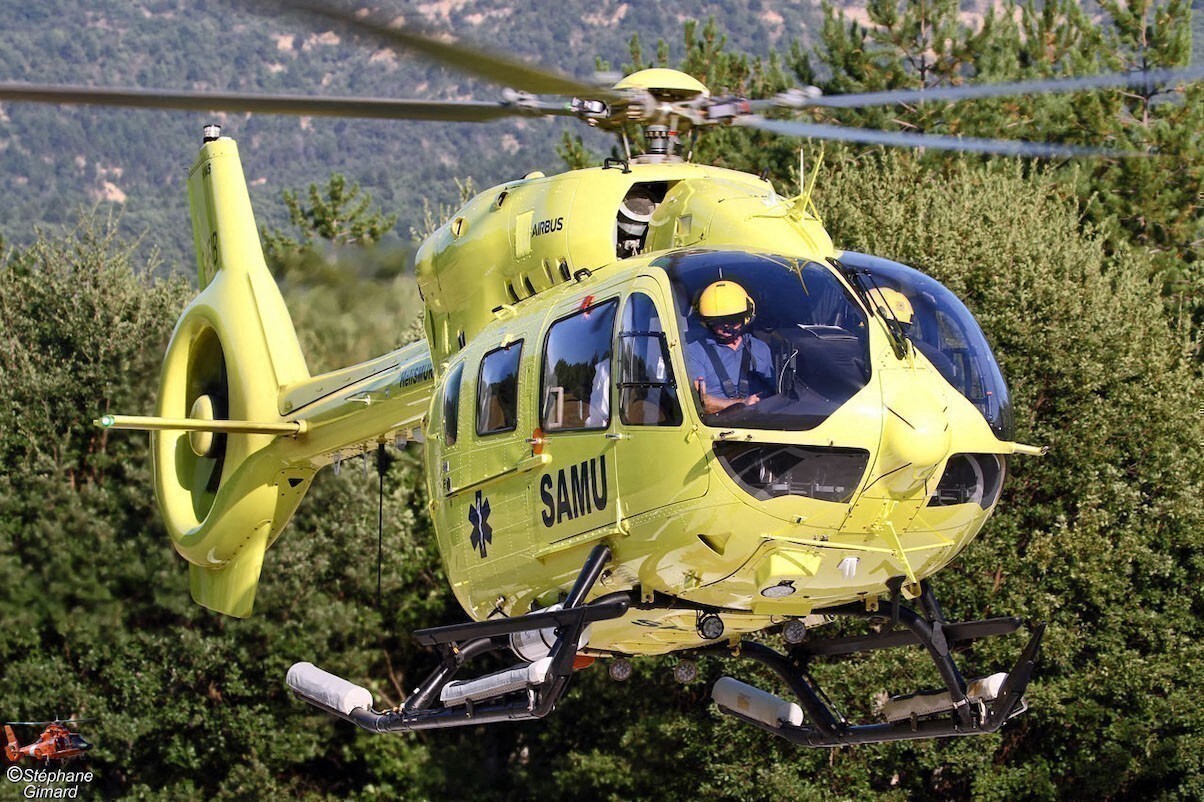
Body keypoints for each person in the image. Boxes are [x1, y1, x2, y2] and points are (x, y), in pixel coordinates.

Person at [685, 280, 775, 415]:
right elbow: (697, 402)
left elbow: (772, 392)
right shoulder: (694, 351)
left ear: (747, 316)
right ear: (706, 322)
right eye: (717, 321)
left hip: (760, 419)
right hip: (713, 424)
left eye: (733, 319)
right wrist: (742, 404)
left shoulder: (760, 348)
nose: (727, 327)